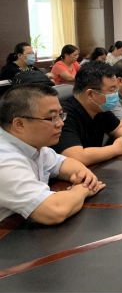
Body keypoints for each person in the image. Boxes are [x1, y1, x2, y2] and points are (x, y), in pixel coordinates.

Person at [0, 84, 105, 225]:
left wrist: (83, 174)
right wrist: (82, 189)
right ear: (19, 124)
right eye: (52, 118)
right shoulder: (5, 160)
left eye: (60, 115)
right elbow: (54, 211)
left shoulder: (32, 144)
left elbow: (64, 163)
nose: (60, 123)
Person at [51, 62, 122, 166]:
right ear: (90, 94)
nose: (115, 94)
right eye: (112, 90)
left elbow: (121, 127)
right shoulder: (63, 115)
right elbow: (77, 157)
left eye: (116, 89)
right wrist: (116, 148)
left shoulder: (98, 107)